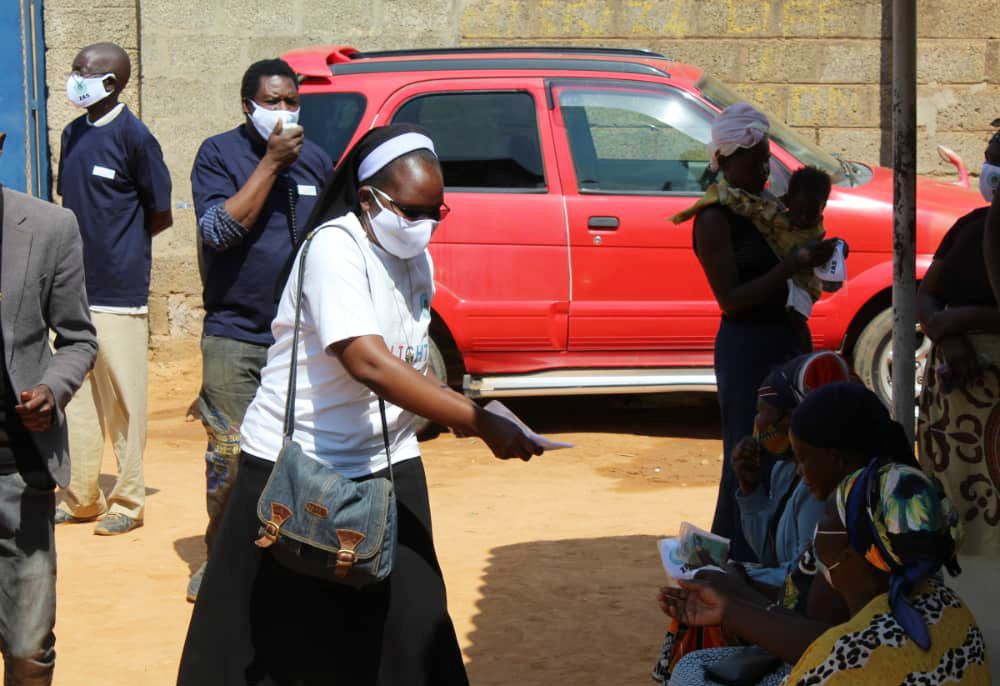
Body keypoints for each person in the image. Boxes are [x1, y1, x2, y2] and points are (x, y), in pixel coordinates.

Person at [177, 124, 544, 685]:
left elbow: (410, 359)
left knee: (414, 626)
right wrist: (475, 420)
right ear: (368, 196)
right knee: (268, 641)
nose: (421, 225)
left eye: (434, 212)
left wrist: (462, 408)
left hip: (386, 460)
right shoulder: (334, 247)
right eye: (410, 210)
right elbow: (366, 361)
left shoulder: (414, 260)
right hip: (295, 465)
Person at [658, 382, 922, 686]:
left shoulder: (856, 527)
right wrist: (733, 595)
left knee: (693, 673)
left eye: (803, 458)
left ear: (835, 458)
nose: (799, 470)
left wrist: (736, 599)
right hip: (827, 650)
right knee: (693, 664)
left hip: (829, 662)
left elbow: (832, 644)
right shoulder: (865, 504)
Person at [187, 57, 332, 601]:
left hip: (299, 338)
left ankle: (289, 561)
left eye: (291, 101)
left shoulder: (316, 160)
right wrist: (271, 164)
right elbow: (219, 231)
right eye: (272, 101)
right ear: (246, 104)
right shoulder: (218, 154)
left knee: (298, 453)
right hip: (234, 332)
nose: (283, 111)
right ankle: (221, 561)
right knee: (230, 452)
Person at [686, 103, 836, 559]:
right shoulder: (714, 218)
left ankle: (783, 559)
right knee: (748, 457)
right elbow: (731, 299)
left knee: (790, 455)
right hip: (748, 348)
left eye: (767, 161)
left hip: (788, 343)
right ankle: (738, 566)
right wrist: (789, 267)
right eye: (755, 163)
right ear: (725, 160)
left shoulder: (765, 208)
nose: (765, 170)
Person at [651, 352, 848, 683]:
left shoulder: (822, 495)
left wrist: (739, 582)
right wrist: (751, 492)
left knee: (703, 620)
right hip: (792, 616)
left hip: (803, 632)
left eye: (763, 412)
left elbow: (801, 580)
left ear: (792, 419)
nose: (757, 423)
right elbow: (771, 552)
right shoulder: (790, 472)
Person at [55, 42, 172, 535]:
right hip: (70, 289)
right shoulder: (71, 133)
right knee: (76, 395)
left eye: (85, 70)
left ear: (112, 83)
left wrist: (122, 254)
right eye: (75, 68)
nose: (75, 77)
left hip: (118, 292)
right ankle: (82, 496)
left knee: (124, 398)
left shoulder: (135, 137)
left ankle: (127, 500)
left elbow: (159, 213)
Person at [0, 135, 98, 684]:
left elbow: (79, 339)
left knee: (29, 648)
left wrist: (52, 389)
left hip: (21, 470)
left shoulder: (48, 227)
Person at [917, 128, 1000, 556]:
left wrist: (962, 319)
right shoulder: (972, 227)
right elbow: (926, 297)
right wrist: (944, 332)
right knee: (960, 512)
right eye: (989, 159)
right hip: (959, 410)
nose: (992, 172)